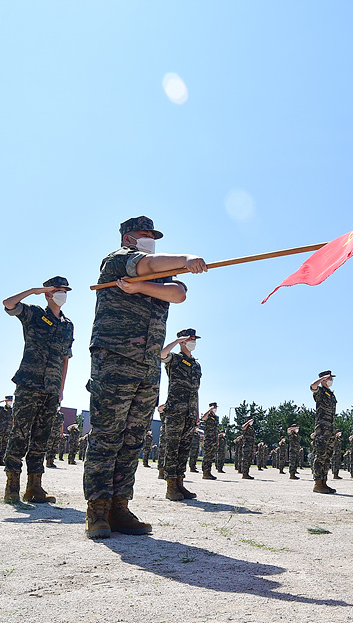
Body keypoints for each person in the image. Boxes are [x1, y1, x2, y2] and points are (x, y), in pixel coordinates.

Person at [84, 216, 204, 538]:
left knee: (133, 438)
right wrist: (186, 259)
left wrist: (140, 288)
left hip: (148, 364)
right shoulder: (117, 261)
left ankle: (119, 506)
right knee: (107, 435)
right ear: (128, 237)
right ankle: (96, 510)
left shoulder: (157, 276)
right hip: (115, 358)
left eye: (153, 234)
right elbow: (146, 265)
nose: (149, 238)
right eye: (143, 233)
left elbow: (178, 292)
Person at [1, 277, 74, 503]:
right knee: (20, 434)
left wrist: (60, 389)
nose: (62, 294)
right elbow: (8, 303)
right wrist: (33, 290)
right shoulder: (33, 314)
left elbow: (65, 358)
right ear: (48, 293)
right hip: (29, 383)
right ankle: (12, 485)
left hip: (51, 388)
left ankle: (35, 486)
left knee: (41, 438)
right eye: (57, 290)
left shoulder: (67, 324)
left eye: (65, 291)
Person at [159, 328, 203, 501]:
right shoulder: (175, 359)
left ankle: (179, 483)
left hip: (190, 413)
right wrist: (177, 341)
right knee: (172, 448)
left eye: (194, 339)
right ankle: (170, 486)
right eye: (190, 339)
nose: (193, 342)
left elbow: (196, 391)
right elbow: (162, 354)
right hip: (175, 410)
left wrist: (197, 413)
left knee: (184, 449)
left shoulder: (196, 365)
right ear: (183, 340)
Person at [310, 371, 337, 494]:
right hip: (321, 428)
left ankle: (324, 482)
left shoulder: (331, 394)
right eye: (329, 378)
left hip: (330, 429)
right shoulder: (320, 391)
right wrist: (321, 379)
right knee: (320, 455)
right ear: (324, 379)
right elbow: (312, 387)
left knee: (327, 456)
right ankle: (317, 483)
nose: (331, 380)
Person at [0, 396, 14, 467]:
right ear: (6, 401)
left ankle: (2, 459)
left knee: (5, 445)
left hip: (8, 430)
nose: (10, 401)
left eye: (11, 400)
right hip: (1, 429)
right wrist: (2, 401)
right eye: (9, 400)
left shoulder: (12, 410)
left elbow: (13, 420)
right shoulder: (1, 409)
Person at [200, 402, 219, 480]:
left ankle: (209, 472)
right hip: (208, 439)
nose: (215, 409)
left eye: (216, 407)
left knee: (211, 456)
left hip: (214, 439)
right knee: (207, 456)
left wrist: (217, 440)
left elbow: (217, 429)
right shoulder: (208, 415)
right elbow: (203, 418)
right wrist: (209, 410)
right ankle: (205, 472)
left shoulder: (216, 417)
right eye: (214, 407)